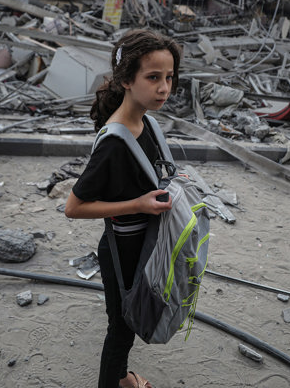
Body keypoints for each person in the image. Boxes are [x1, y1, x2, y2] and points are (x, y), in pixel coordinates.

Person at [65, 29, 182, 388]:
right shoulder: (115, 141)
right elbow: (73, 207)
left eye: (169, 78)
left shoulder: (146, 123)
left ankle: (124, 379)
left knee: (128, 322)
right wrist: (138, 204)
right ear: (127, 80)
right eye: (153, 78)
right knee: (120, 329)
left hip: (142, 246)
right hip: (122, 251)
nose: (164, 88)